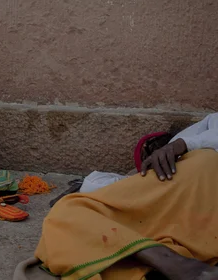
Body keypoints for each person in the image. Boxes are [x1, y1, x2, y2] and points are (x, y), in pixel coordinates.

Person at [15, 112, 218, 280]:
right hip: (186, 209)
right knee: (70, 222)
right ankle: (169, 261)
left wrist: (183, 144)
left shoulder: (190, 150)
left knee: (64, 216)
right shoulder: (163, 168)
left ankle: (174, 262)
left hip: (199, 176)